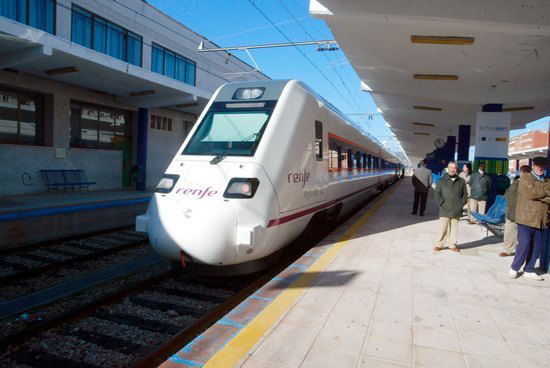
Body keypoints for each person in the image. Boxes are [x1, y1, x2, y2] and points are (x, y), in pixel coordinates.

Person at [509, 157, 550, 281]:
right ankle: (514, 268)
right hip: (525, 217)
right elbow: (530, 194)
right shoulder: (526, 178)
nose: (540, 168)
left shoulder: (547, 181)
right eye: (538, 165)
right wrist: (545, 194)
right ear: (533, 166)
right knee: (525, 243)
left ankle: (529, 269)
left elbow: (537, 195)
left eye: (543, 166)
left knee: (536, 245)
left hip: (541, 218)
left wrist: (539, 195)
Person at [434, 161, 468, 252]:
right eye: (451, 168)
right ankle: (440, 244)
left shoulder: (461, 181)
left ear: (457, 169)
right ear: (448, 168)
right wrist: (442, 203)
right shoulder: (441, 180)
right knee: (443, 228)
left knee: (454, 228)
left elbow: (465, 194)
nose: (453, 170)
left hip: (456, 209)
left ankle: (452, 245)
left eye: (455, 168)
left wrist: (461, 204)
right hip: (444, 209)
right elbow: (437, 194)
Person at [500, 165, 531, 257]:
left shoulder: (531, 184)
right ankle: (507, 250)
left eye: (525, 172)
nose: (523, 174)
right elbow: (508, 192)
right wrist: (508, 200)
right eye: (522, 172)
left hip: (524, 212)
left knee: (523, 235)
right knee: (509, 231)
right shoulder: (516, 182)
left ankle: (522, 251)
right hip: (511, 211)